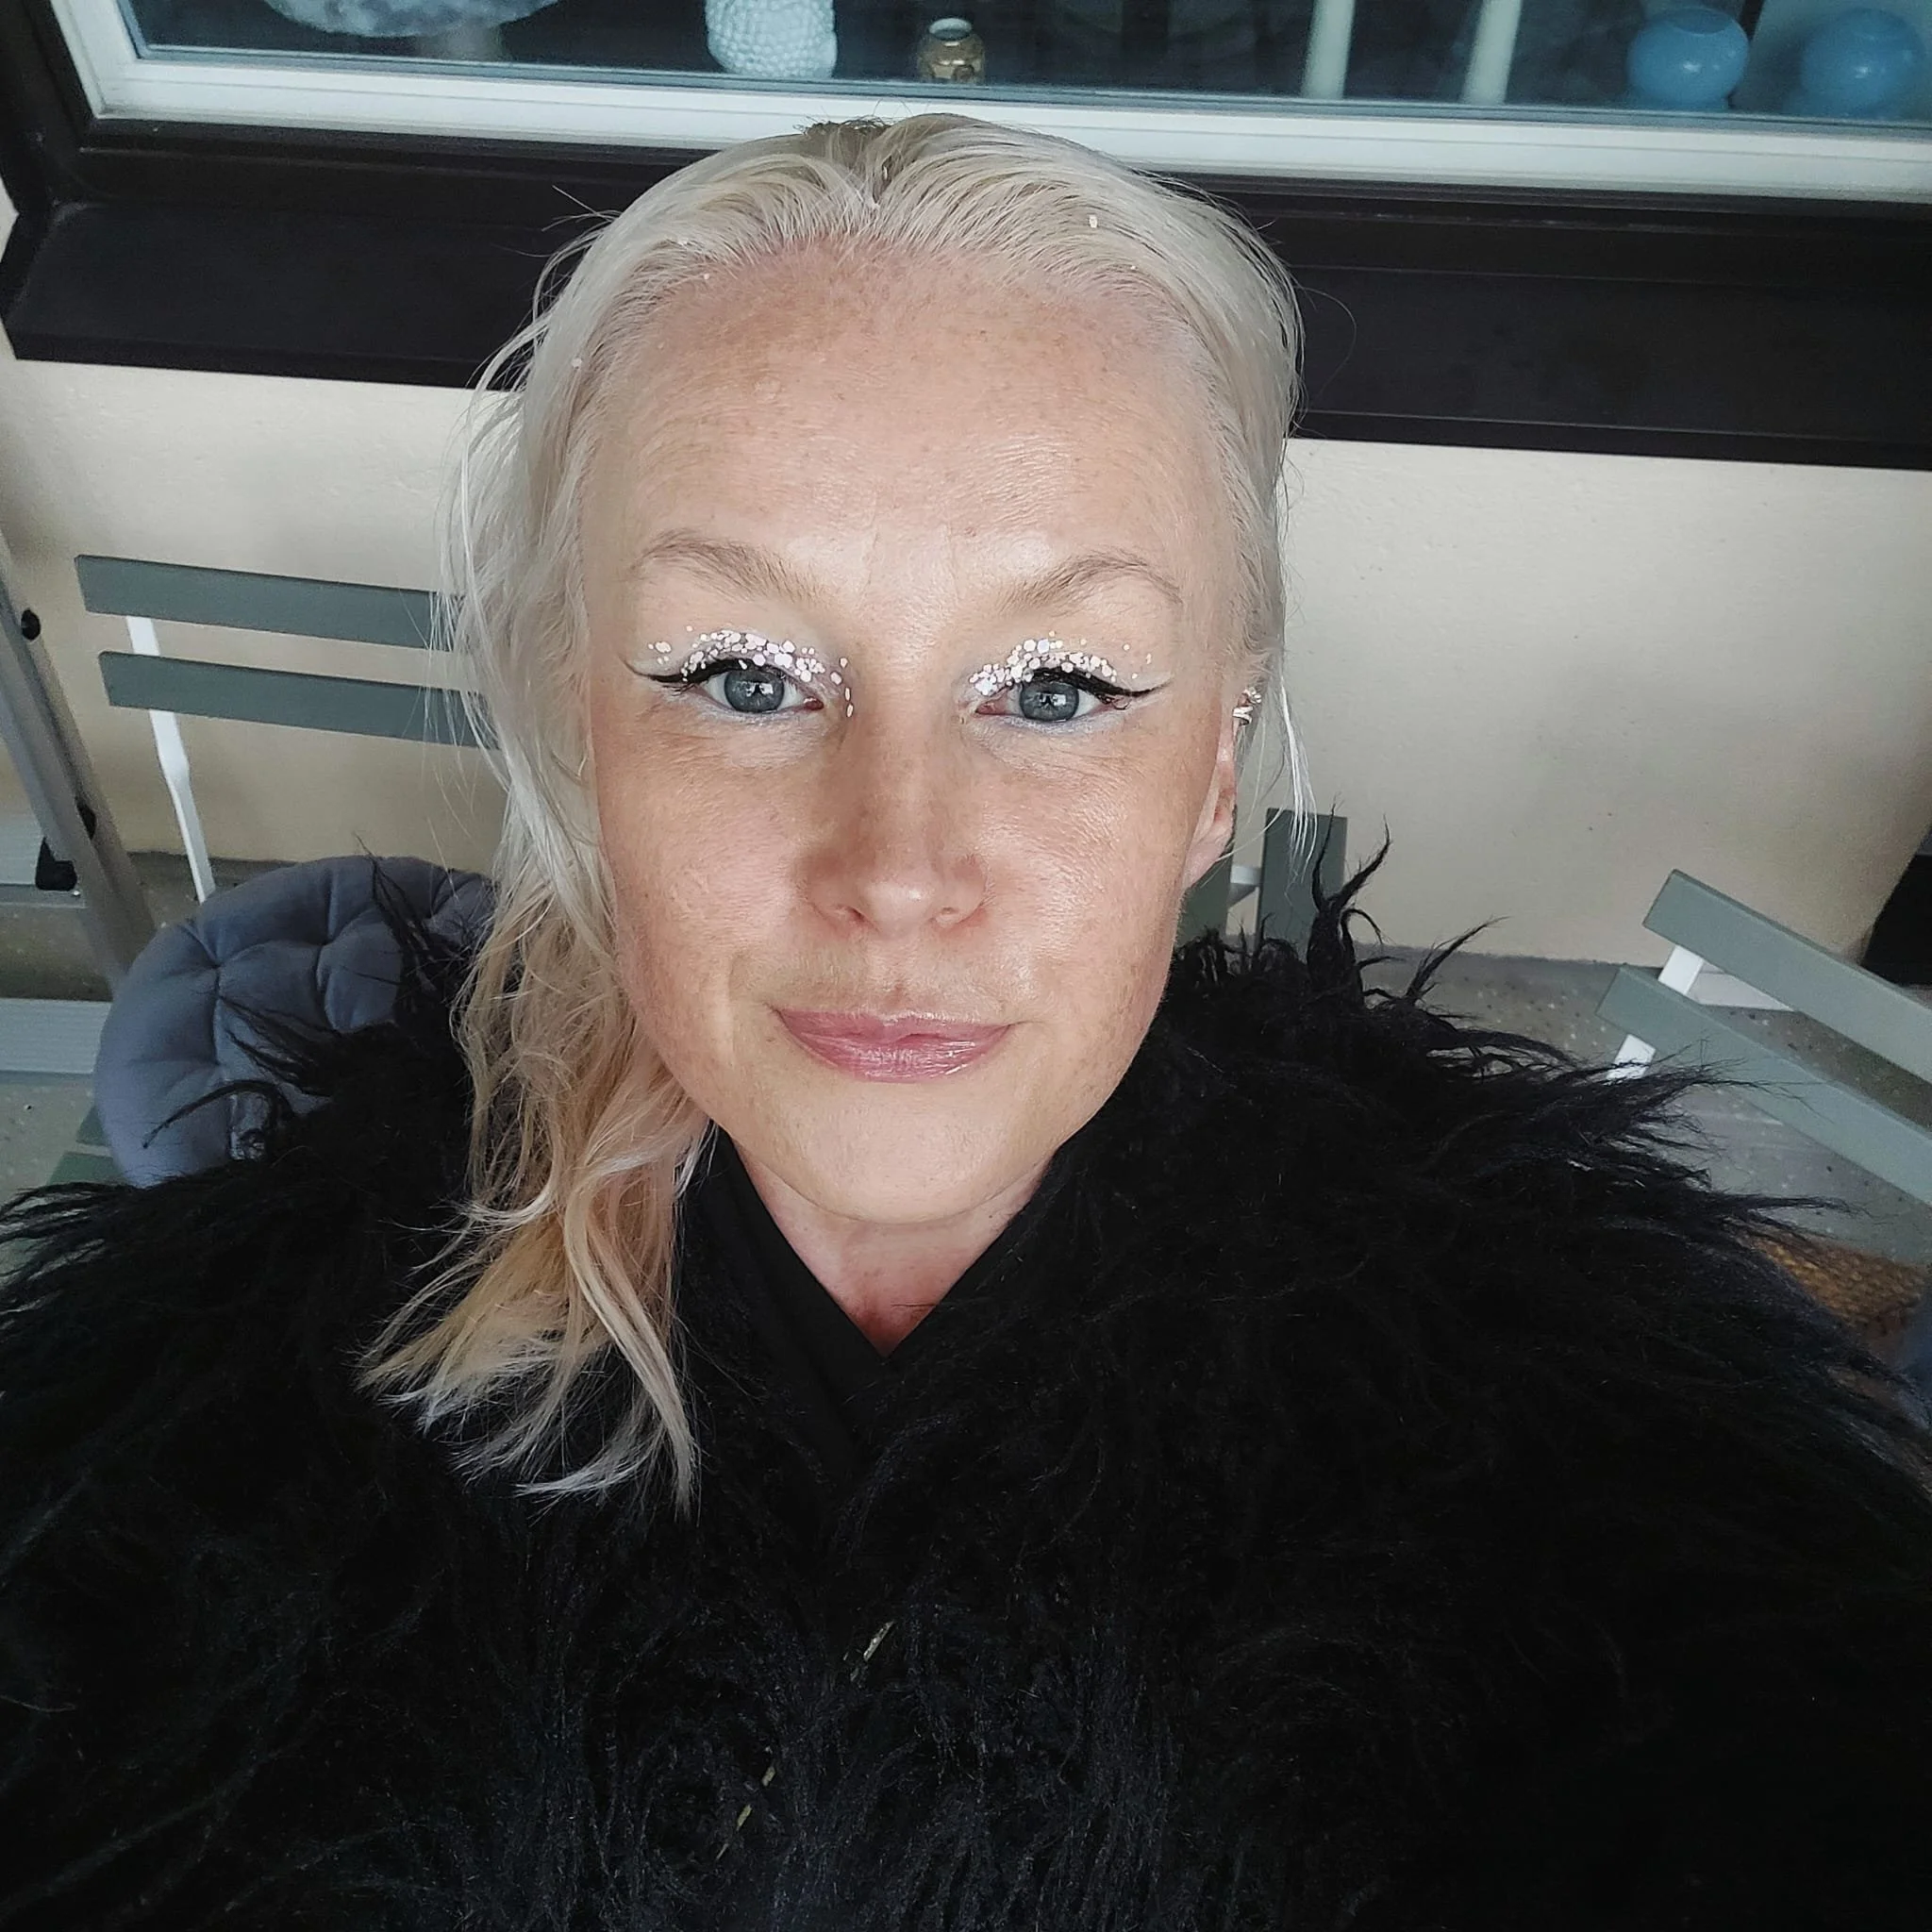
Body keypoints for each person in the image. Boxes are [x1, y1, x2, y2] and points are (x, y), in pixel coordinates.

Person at [2, 113, 1929, 1931]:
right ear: (586, 736)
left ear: (1213, 772)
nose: (900, 873)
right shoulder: (175, 1466)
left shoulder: (1606, 1476)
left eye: (1059, 687)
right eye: (742, 676)